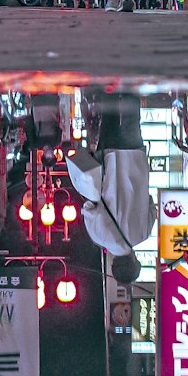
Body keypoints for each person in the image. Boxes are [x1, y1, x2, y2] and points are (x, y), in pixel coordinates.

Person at [75, 93, 154, 284]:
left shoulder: (144, 233)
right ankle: (108, 82)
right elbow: (88, 207)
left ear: (134, 260)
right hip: (109, 163)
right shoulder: (98, 236)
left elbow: (151, 204)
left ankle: (129, 81)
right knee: (108, 119)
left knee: (131, 119)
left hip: (134, 160)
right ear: (114, 264)